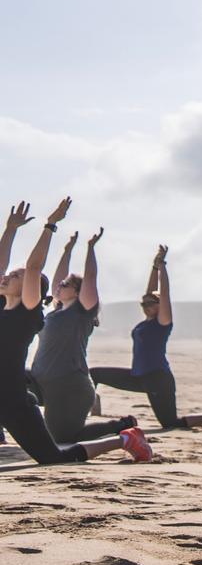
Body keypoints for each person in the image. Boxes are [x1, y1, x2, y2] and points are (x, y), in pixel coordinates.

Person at [1, 199, 153, 465]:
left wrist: (49, 226)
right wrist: (10, 229)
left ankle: (125, 439)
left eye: (15, 276)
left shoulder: (27, 312)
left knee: (55, 457)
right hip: (26, 385)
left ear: (30, 287)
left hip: (15, 400)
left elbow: (34, 267)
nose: (6, 277)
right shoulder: (4, 305)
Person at [88, 244, 202, 434]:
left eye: (151, 303)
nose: (146, 305)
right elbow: (151, 293)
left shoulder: (162, 323)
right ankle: (92, 411)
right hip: (138, 376)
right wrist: (154, 266)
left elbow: (163, 294)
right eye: (143, 303)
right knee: (94, 374)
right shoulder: (146, 321)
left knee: (170, 422)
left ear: (159, 306)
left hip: (158, 379)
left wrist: (163, 265)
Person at [30, 227, 138, 443]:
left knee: (64, 439)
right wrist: (67, 250)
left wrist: (90, 248)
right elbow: (57, 279)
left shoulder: (82, 312)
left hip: (69, 387)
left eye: (66, 285)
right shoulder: (58, 311)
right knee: (8, 381)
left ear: (79, 292)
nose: (59, 286)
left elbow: (90, 277)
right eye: (60, 285)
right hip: (41, 382)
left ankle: (122, 426)